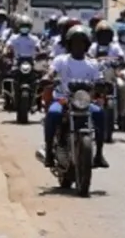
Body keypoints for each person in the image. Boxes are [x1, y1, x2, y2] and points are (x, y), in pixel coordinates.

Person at [42, 26, 108, 169]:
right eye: (75, 42)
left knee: (99, 114)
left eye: (81, 43)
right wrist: (48, 77)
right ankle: (48, 152)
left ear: (86, 45)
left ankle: (99, 154)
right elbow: (52, 71)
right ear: (69, 44)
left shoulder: (93, 64)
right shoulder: (61, 60)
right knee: (53, 114)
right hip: (63, 100)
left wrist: (103, 84)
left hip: (84, 102)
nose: (78, 46)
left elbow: (99, 79)